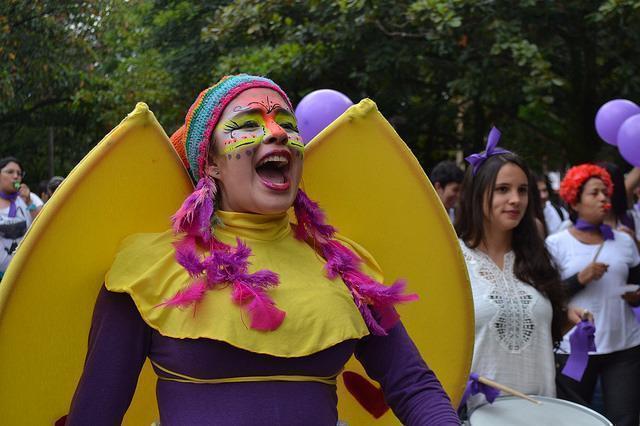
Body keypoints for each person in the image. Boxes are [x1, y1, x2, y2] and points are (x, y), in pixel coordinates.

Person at [66, 75, 459, 425]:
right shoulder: (147, 271)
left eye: (288, 125)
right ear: (212, 163)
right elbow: (97, 413)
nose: (278, 134)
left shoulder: (343, 268)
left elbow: (412, 384)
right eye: (249, 124)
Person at [455, 128, 581, 412]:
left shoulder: (536, 258)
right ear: (477, 194)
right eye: (503, 189)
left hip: (541, 412)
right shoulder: (453, 261)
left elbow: (541, 333)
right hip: (476, 415)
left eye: (522, 190)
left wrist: (566, 319)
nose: (516, 199)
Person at [546, 164, 640, 426]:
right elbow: (547, 297)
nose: (603, 199)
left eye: (605, 193)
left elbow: (636, 282)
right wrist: (580, 279)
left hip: (624, 346)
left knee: (626, 419)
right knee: (574, 420)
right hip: (575, 349)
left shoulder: (624, 241)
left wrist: (636, 296)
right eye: (594, 193)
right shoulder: (556, 243)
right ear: (574, 201)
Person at [0, 157, 40, 279]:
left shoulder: (29, 198)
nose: (16, 176)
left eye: (19, 173)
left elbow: (43, 226)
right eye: (10, 172)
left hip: (25, 273)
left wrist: (29, 202)